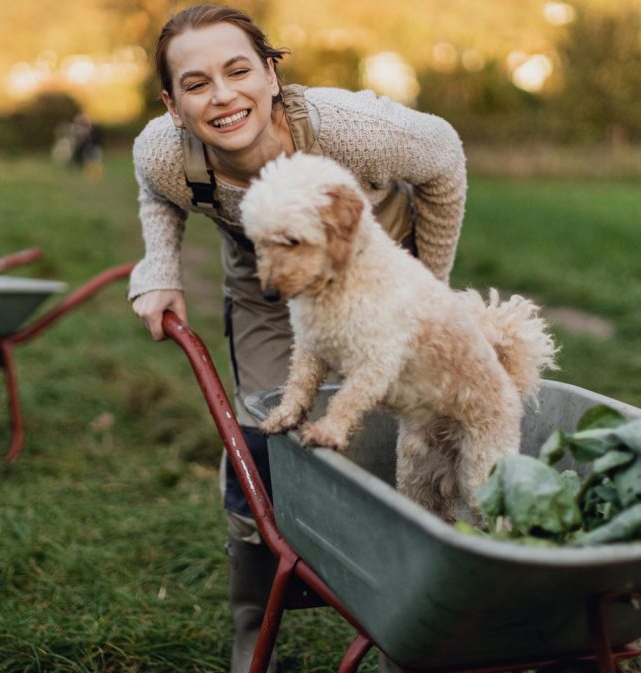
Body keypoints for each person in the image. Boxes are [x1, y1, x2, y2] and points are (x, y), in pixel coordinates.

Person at [127, 5, 466, 671]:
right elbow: (157, 193)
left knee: (415, 427)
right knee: (264, 428)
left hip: (380, 265)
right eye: (196, 84)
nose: (223, 96)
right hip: (265, 285)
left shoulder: (350, 131)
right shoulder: (165, 154)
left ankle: (416, 616)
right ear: (172, 104)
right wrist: (160, 268)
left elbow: (445, 160)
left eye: (238, 70)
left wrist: (429, 288)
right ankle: (257, 620)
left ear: (271, 72)